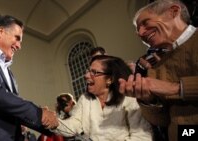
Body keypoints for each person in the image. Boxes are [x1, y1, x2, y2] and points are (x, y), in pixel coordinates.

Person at [118, 0, 198, 141]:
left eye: (145, 23)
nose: (140, 33)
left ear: (173, 11)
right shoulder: (155, 68)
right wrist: (147, 100)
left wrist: (176, 88)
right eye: (137, 30)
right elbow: (162, 121)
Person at [53, 55, 152, 141]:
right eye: (88, 71)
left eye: (94, 72)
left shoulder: (130, 98)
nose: (86, 75)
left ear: (110, 79)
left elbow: (142, 137)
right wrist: (55, 123)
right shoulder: (85, 99)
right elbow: (74, 124)